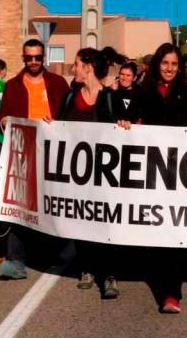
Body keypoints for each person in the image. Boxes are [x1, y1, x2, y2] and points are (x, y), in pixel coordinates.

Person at [119, 43, 187, 314]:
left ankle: (172, 293)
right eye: (165, 63)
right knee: (154, 232)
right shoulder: (143, 91)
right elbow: (128, 117)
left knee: (173, 234)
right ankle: (157, 275)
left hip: (178, 174)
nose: (170, 69)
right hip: (151, 172)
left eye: (174, 64)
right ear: (157, 65)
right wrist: (125, 124)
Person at [0, 39, 70, 280]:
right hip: (24, 152)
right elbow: (2, 115)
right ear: (23, 57)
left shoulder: (58, 83)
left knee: (52, 204)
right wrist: (5, 121)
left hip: (53, 154)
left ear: (44, 57)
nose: (34, 62)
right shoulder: (13, 86)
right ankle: (16, 260)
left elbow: (70, 116)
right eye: (29, 58)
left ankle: (53, 251)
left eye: (38, 57)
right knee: (19, 207)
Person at [60, 47, 125, 299]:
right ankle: (86, 267)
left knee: (106, 224)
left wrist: (124, 125)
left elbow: (126, 134)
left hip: (105, 177)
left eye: (76, 64)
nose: (73, 69)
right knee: (80, 221)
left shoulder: (110, 98)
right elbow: (59, 129)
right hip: (76, 177)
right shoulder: (69, 98)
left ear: (88, 67)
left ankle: (109, 274)